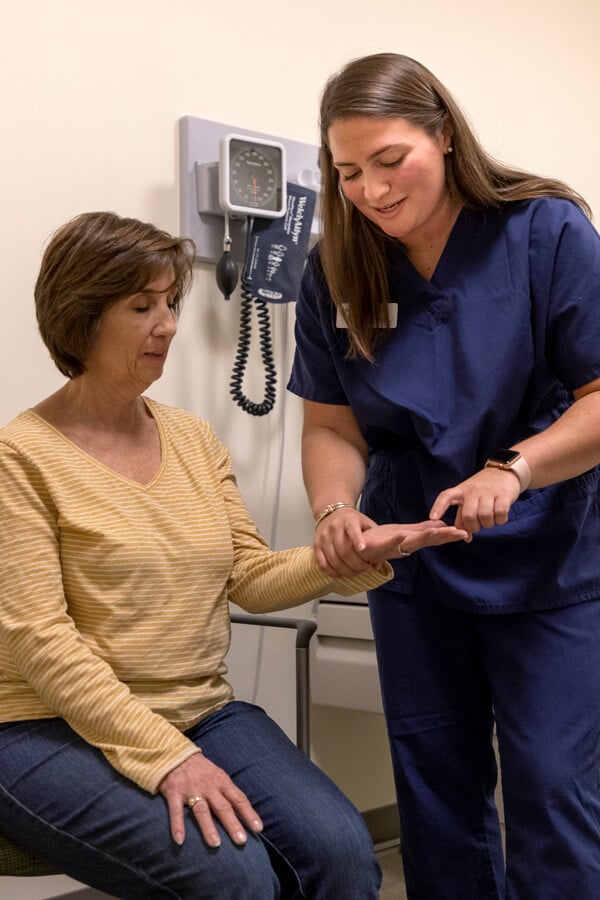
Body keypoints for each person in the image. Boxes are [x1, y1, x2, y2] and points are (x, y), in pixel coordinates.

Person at [0, 211, 468, 899]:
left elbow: (247, 575)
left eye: (170, 303)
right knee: (233, 877)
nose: (168, 325)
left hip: (200, 710)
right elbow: (41, 641)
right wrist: (167, 757)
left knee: (342, 854)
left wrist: (345, 554)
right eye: (142, 307)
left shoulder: (191, 438)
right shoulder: (21, 457)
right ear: (80, 318)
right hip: (45, 726)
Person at [287, 51, 600, 900]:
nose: (372, 190)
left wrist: (516, 469)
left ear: (446, 135)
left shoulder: (545, 231)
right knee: (434, 788)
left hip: (547, 555)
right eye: (348, 172)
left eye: (391, 160)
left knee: (552, 788)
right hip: (414, 558)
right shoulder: (335, 267)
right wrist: (334, 509)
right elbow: (331, 423)